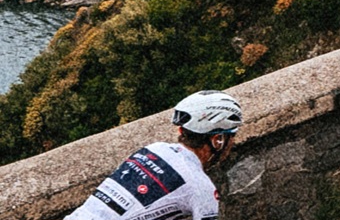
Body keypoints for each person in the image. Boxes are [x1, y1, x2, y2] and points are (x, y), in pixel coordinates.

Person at [66, 91, 242, 220]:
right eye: (231, 137)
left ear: (182, 130)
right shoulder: (201, 188)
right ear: (217, 139)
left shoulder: (152, 149)